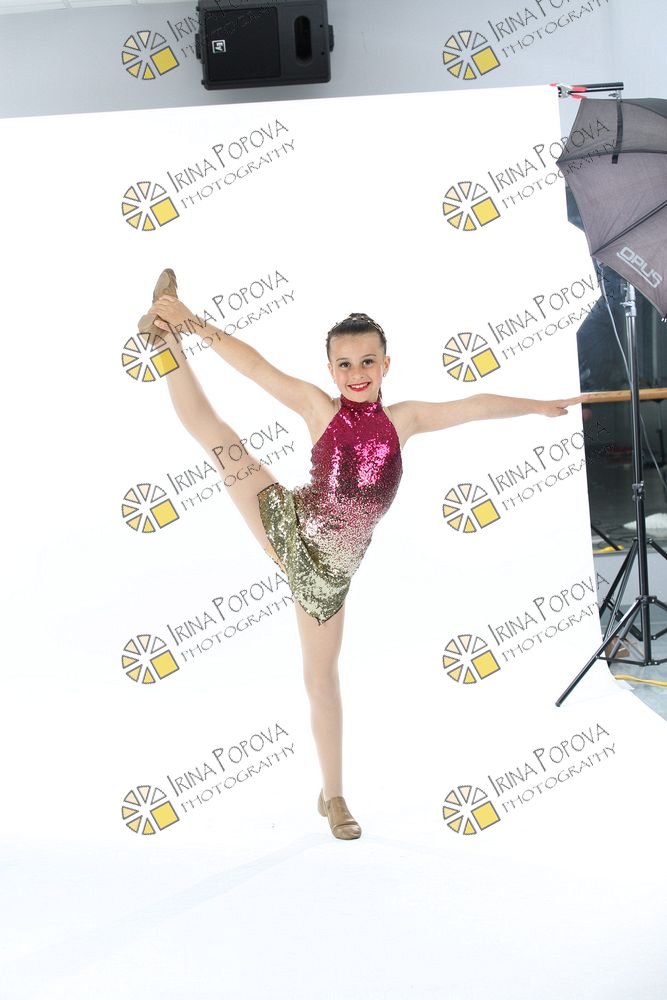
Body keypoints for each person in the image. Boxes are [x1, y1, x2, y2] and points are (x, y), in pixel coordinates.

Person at [143, 269, 584, 841]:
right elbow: (253, 365)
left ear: (386, 365)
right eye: (345, 364)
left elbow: (474, 405)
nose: (357, 374)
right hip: (288, 525)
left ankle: (327, 794)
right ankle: (167, 332)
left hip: (331, 573)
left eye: (368, 362)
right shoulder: (317, 407)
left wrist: (538, 405)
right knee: (217, 436)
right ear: (331, 370)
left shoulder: (404, 421)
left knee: (322, 678)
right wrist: (193, 323)